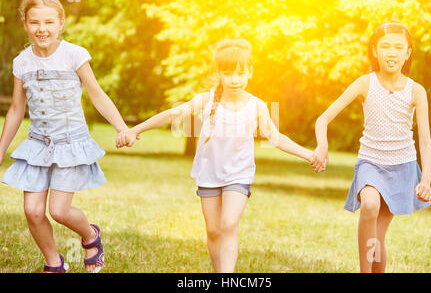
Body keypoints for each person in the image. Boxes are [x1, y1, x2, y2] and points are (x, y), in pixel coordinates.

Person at [117, 39, 314, 272]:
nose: (235, 79)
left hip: (238, 174)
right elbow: (172, 114)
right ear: (219, 73)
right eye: (228, 72)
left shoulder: (257, 106)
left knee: (229, 223)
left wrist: (309, 154)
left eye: (241, 72)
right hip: (209, 173)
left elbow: (276, 137)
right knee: (213, 230)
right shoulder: (206, 100)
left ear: (250, 72)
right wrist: (135, 129)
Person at [0, 0, 129, 273]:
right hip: (38, 144)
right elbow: (16, 109)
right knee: (32, 211)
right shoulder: (22, 62)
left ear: (61, 23)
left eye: (48, 22)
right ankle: (54, 264)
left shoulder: (74, 55)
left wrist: (122, 127)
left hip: (71, 143)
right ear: (25, 23)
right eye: (34, 22)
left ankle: (90, 236)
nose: (42, 29)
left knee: (58, 211)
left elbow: (97, 95)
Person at [311, 21, 431, 273]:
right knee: (369, 205)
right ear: (375, 50)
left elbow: (425, 140)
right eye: (385, 46)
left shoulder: (416, 91)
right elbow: (322, 119)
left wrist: (426, 180)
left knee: (377, 236)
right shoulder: (365, 84)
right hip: (371, 164)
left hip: (402, 167)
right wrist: (322, 146)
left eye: (399, 47)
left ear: (407, 53)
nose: (392, 53)